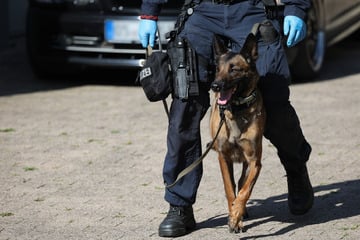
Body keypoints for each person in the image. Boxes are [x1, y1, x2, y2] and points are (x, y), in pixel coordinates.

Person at [138, 0, 314, 237]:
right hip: (202, 12)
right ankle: (179, 204)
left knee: (275, 104)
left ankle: (296, 170)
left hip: (252, 9)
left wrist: (296, 7)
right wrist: (149, 12)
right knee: (184, 111)